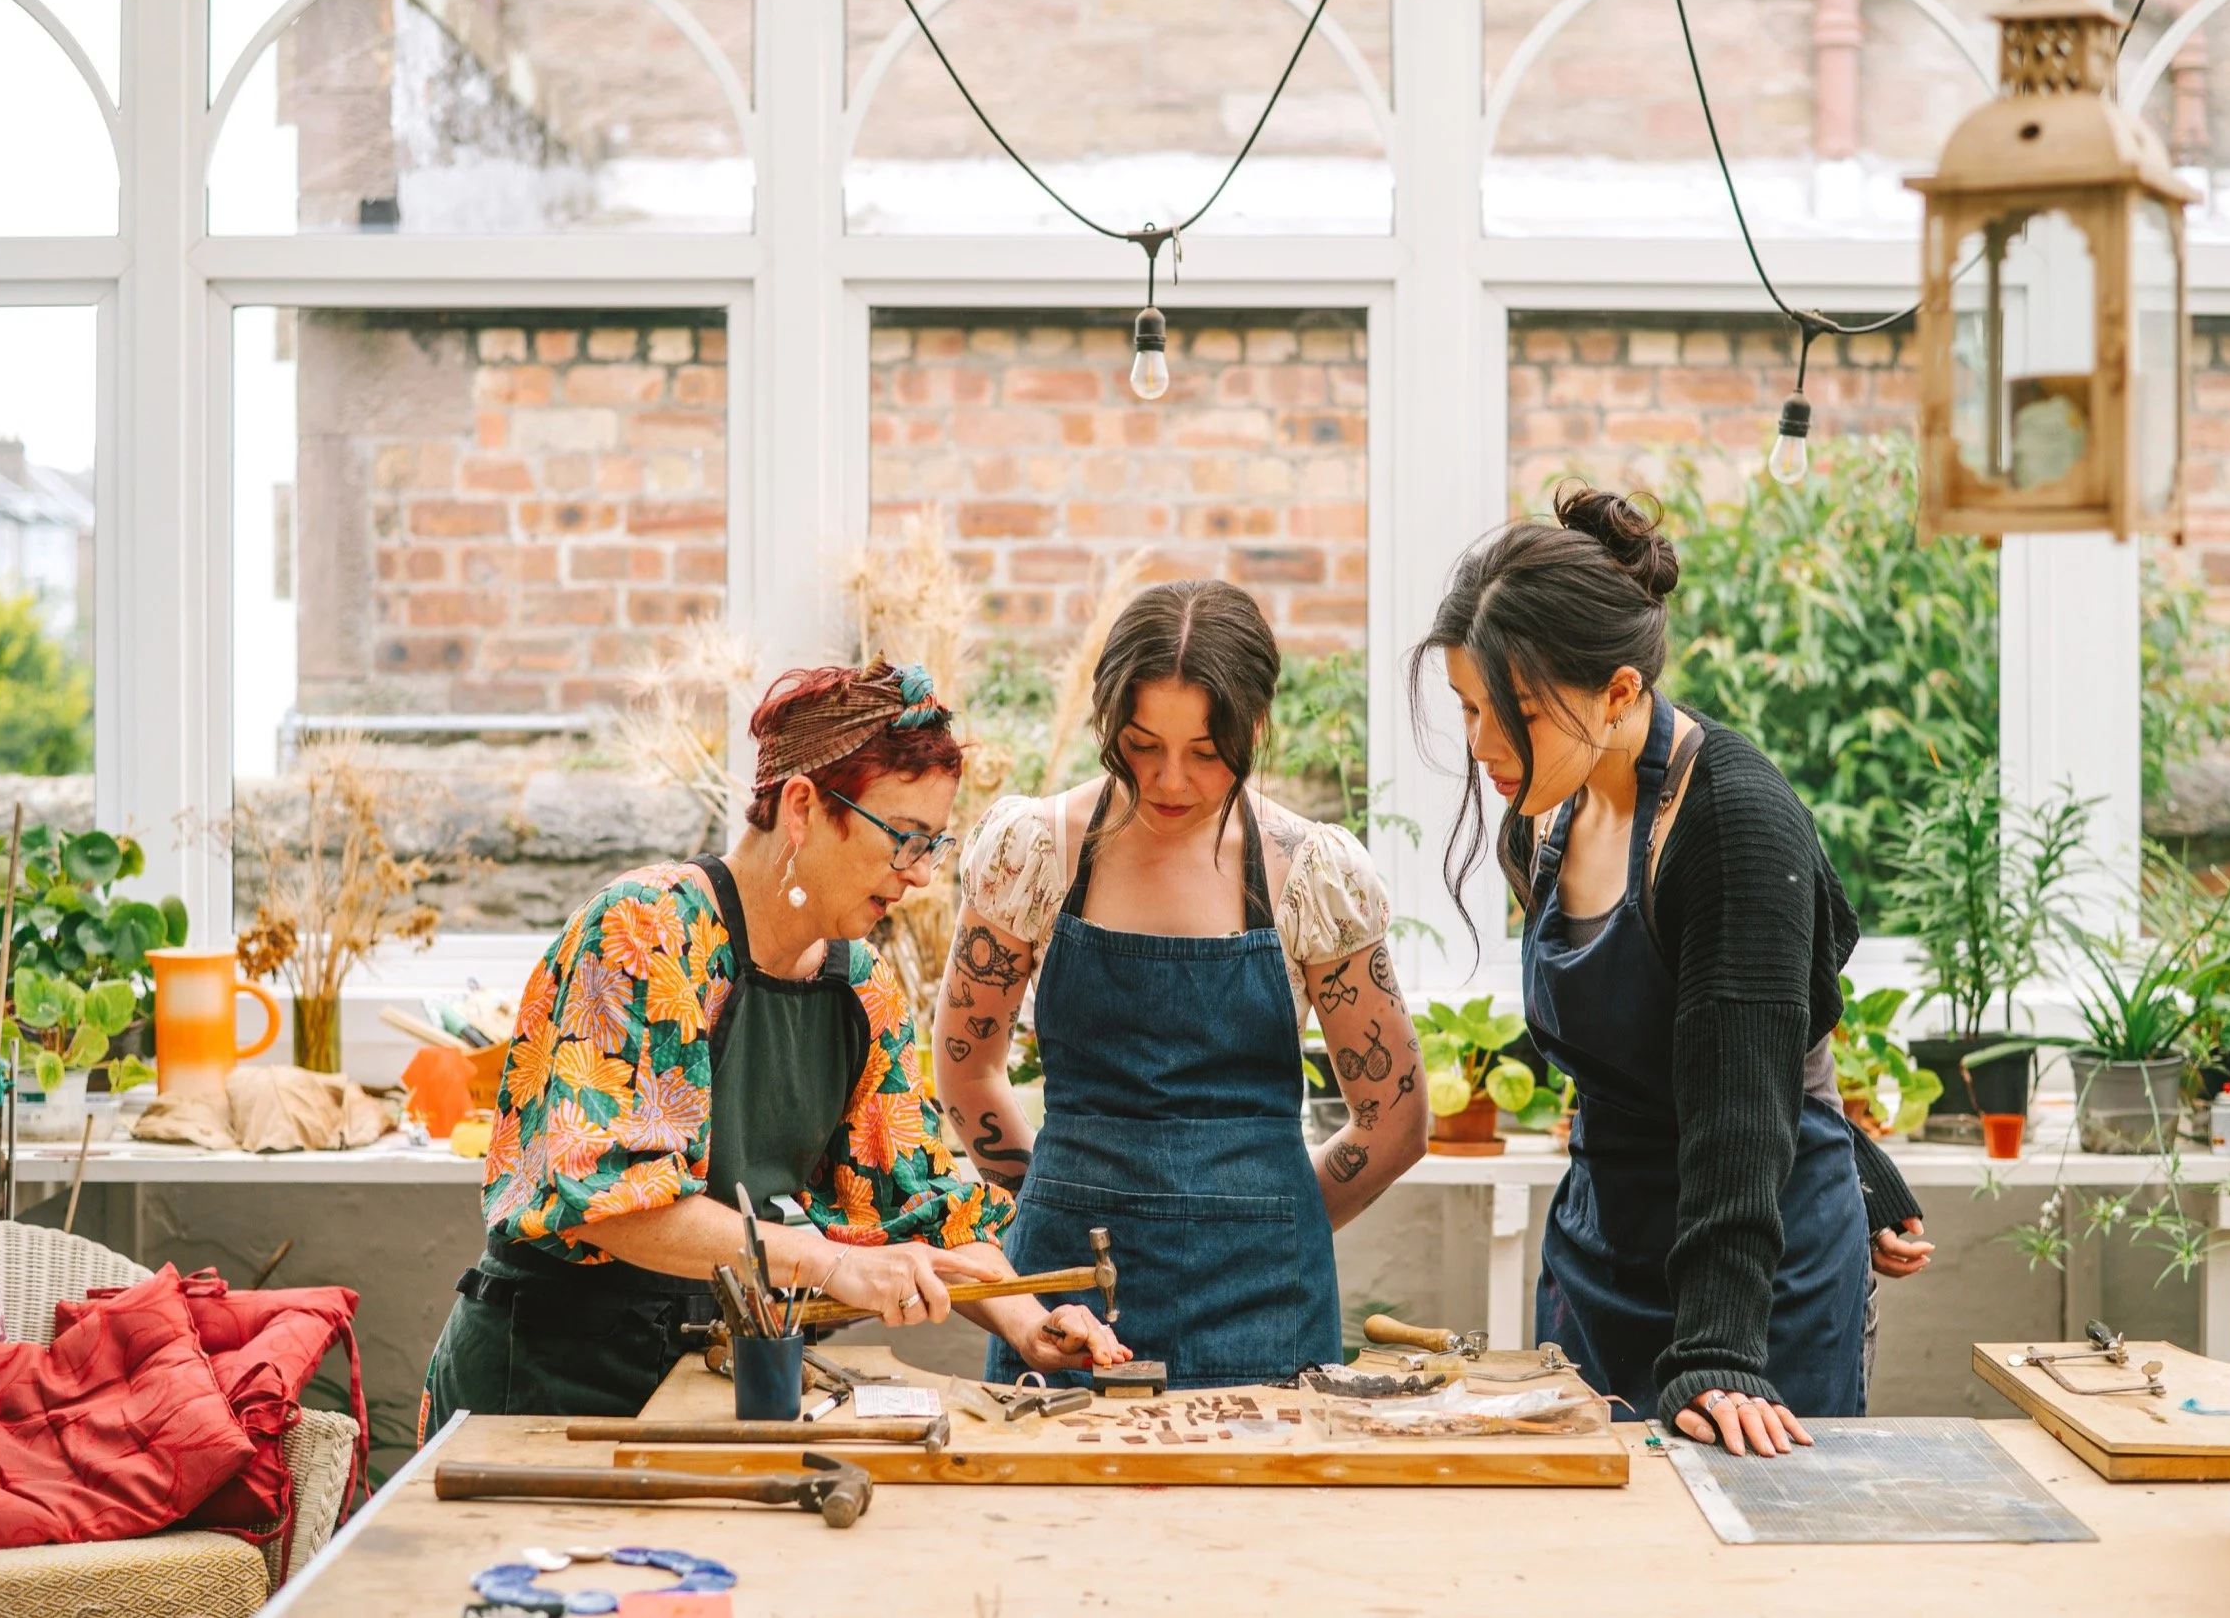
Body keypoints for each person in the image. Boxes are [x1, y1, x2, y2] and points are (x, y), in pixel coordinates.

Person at [420, 661, 1126, 1434]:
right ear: (803, 807)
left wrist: (1029, 1322)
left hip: (720, 1380)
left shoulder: (858, 984)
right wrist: (830, 1262)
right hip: (550, 1378)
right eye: (904, 839)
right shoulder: (648, 931)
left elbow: (921, 1201)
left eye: (934, 843)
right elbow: (609, 1203)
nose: (920, 874)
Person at [1414, 489, 1933, 1459]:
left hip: (1753, 1284)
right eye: (1469, 708)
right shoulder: (1539, 812)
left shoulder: (1733, 822)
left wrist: (1722, 1355)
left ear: (1617, 693)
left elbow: (1738, 1107)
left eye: (1514, 712)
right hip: (1597, 1255)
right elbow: (1669, 1042)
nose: (1483, 745)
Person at [936, 580, 1428, 1390]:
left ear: (1257, 728)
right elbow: (966, 1068)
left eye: (1205, 751)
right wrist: (1051, 1195)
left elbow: (1395, 1120)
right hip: (1067, 1292)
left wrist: (1276, 1218)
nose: (1169, 780)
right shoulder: (1035, 853)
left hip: (1266, 1290)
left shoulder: (1309, 872)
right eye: (1140, 744)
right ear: (1105, 725)